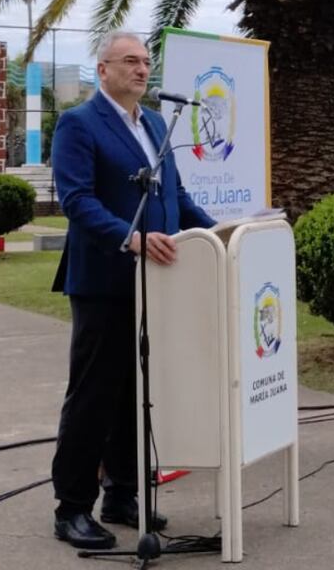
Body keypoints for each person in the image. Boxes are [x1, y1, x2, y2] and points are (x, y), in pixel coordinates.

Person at [50, 31, 216, 549]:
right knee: (94, 395)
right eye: (130, 61)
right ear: (103, 69)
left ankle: (123, 493)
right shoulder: (79, 124)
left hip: (157, 286)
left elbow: (177, 198)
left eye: (146, 61)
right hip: (104, 283)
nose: (142, 70)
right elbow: (76, 200)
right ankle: (72, 507)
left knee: (136, 395)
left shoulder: (156, 124)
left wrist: (221, 235)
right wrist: (132, 238)